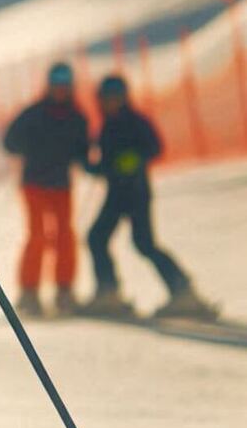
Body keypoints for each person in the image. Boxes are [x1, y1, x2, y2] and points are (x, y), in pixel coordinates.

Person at [82, 74, 217, 319]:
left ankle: (182, 292)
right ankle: (109, 292)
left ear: (124, 98)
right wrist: (89, 164)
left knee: (141, 242)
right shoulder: (107, 124)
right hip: (118, 192)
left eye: (115, 97)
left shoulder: (133, 121)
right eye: (107, 98)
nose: (111, 102)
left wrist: (130, 161)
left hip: (135, 192)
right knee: (97, 238)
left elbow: (154, 147)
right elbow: (108, 165)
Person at [2, 63, 89, 316]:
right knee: (38, 235)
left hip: (61, 185)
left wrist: (91, 163)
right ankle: (29, 293)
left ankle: (64, 291)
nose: (60, 90)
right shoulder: (34, 113)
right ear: (50, 86)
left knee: (64, 236)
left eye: (65, 85)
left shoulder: (76, 117)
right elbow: (9, 141)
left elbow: (83, 149)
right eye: (57, 84)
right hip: (35, 184)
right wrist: (29, 148)